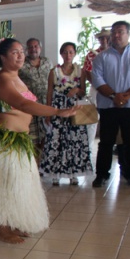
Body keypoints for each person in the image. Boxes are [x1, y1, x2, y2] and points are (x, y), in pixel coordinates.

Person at [0, 37, 76, 244]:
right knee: (6, 184)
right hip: (6, 142)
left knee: (19, 184)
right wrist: (57, 111)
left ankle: (14, 223)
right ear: (2, 57)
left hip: (20, 140)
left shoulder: (17, 77)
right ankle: (2, 228)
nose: (20, 56)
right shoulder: (3, 79)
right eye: (14, 52)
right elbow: (23, 104)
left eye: (21, 52)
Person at [91, 20, 130, 189]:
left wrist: (127, 96)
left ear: (128, 34)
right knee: (106, 143)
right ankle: (102, 175)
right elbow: (97, 79)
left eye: (120, 32)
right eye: (114, 32)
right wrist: (113, 96)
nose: (116, 35)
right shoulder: (102, 57)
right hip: (108, 107)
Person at [40, 42, 92, 185]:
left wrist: (77, 90)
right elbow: (49, 93)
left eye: (71, 52)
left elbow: (83, 92)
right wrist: (48, 113)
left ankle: (73, 174)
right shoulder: (54, 71)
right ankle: (55, 174)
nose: (68, 55)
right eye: (65, 52)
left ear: (74, 54)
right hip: (58, 109)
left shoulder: (80, 71)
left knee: (74, 141)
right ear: (61, 54)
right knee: (56, 140)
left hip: (75, 109)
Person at [19, 38, 53, 151]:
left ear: (40, 48)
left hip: (46, 104)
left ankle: (42, 159)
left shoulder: (47, 62)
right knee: (32, 136)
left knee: (46, 134)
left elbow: (53, 80)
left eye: (35, 46)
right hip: (30, 105)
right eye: (30, 47)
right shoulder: (21, 64)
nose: (33, 49)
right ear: (27, 50)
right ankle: (33, 158)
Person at [82, 28, 111, 153]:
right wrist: (99, 86)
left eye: (106, 37)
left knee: (112, 118)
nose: (104, 40)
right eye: (101, 38)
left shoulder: (115, 53)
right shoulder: (91, 55)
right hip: (96, 89)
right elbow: (87, 72)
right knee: (92, 118)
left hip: (113, 90)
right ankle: (88, 148)